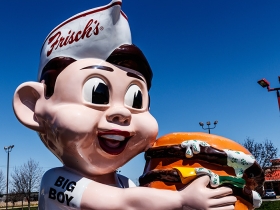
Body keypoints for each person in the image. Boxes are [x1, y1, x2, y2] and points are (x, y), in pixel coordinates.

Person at [13, 1, 236, 209]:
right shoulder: (54, 181)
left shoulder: (125, 182)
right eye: (97, 94)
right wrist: (181, 198)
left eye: (135, 100)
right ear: (34, 108)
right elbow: (122, 203)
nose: (121, 113)